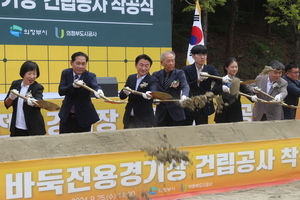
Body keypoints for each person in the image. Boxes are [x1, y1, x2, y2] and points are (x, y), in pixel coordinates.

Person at [58, 51, 104, 133]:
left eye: (83, 64)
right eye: (78, 63)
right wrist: (72, 86)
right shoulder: (66, 73)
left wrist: (98, 90)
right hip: (67, 116)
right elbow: (61, 91)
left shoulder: (90, 76)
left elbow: (94, 85)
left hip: (84, 116)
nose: (80, 66)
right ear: (71, 63)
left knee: (82, 143)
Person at [183, 45, 225, 125]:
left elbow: (219, 80)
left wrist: (224, 79)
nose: (203, 57)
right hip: (190, 103)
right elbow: (186, 85)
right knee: (186, 129)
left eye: (204, 55)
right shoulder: (187, 69)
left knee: (203, 130)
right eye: (200, 55)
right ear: (193, 56)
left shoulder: (210, 69)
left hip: (204, 105)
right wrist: (198, 80)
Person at [4, 61, 46, 137]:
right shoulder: (15, 84)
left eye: (34, 74)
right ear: (23, 74)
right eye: (29, 74)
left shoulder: (38, 87)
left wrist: (34, 102)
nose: (32, 77)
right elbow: (7, 104)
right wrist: (11, 97)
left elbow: (39, 101)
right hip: (17, 127)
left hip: (33, 129)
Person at [212, 57, 258, 123]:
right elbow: (213, 93)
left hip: (235, 113)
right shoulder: (221, 80)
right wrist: (221, 88)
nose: (234, 69)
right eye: (232, 67)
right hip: (222, 113)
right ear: (226, 68)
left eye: (236, 67)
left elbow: (246, 92)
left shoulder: (239, 81)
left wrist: (252, 96)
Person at [119, 54, 158, 128]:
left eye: (146, 66)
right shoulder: (131, 78)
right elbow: (121, 96)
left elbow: (154, 88)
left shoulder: (153, 79)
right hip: (129, 118)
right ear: (136, 65)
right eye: (141, 65)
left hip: (144, 120)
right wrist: (125, 92)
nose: (143, 68)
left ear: (150, 67)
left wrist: (150, 93)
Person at [152, 51, 190, 126]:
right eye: (168, 61)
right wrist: (154, 96)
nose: (171, 63)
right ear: (162, 62)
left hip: (176, 113)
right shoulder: (156, 75)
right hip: (161, 114)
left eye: (173, 61)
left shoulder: (179, 73)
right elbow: (153, 87)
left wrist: (185, 95)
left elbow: (185, 85)